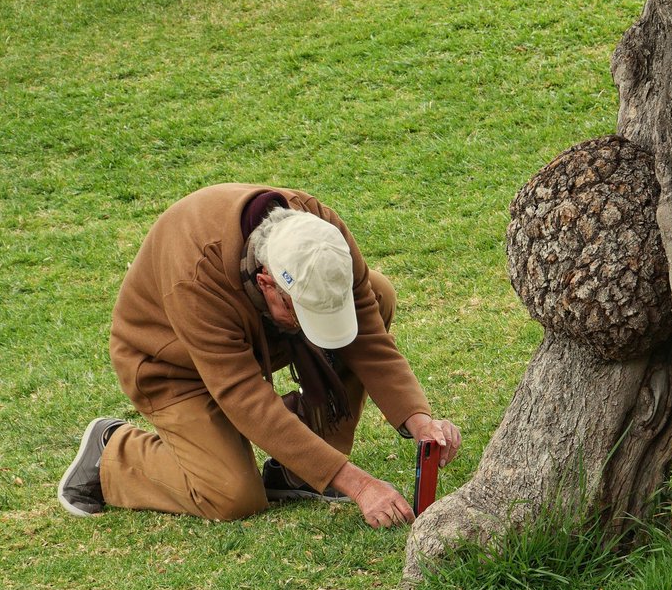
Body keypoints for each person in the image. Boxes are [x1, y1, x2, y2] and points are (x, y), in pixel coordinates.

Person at [57, 183, 460, 529]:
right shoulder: (195, 274)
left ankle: (300, 469)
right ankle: (111, 452)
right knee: (232, 495)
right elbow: (244, 397)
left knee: (377, 293)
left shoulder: (323, 234)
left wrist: (420, 420)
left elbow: (367, 335)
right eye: (301, 313)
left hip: (257, 338)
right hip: (173, 366)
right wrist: (357, 483)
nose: (310, 328)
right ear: (267, 282)